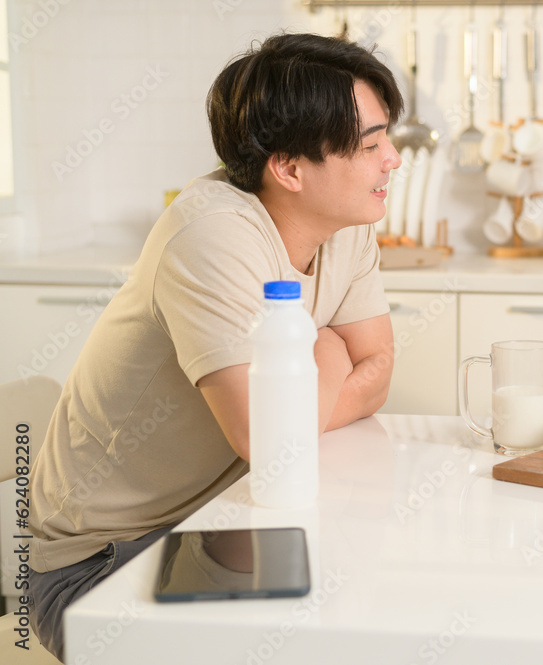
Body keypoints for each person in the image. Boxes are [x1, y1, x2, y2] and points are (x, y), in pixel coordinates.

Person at [27, 32, 404, 659]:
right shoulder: (213, 234)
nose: (392, 159)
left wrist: (301, 392)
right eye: (370, 146)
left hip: (226, 519)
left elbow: (382, 370)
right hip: (102, 564)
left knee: (358, 612)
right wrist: (330, 352)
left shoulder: (346, 223)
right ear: (289, 169)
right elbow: (270, 442)